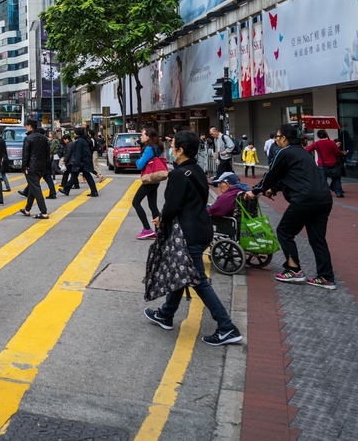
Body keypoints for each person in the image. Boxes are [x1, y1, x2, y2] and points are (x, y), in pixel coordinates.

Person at [144, 130, 243, 346]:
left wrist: (162, 219)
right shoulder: (196, 169)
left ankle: (226, 327)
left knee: (198, 280)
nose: (171, 150)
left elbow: (172, 206)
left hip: (189, 233)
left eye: (173, 147)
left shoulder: (179, 174)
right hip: (201, 228)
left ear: (180, 150)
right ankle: (166, 314)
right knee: (184, 272)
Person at [249, 125, 336, 289]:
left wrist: (256, 191)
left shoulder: (285, 152)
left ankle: (293, 270)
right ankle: (326, 277)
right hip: (324, 199)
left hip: (304, 200)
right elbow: (294, 177)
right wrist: (274, 189)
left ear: (284, 138)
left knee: (284, 231)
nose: (276, 139)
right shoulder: (304, 153)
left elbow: (272, 174)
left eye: (278, 136)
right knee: (318, 239)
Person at [133, 128, 165, 240]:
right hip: (155, 179)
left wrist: (138, 160)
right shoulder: (156, 147)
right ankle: (158, 230)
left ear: (148, 137)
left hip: (150, 180)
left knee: (136, 202)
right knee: (152, 206)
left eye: (142, 135)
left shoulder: (149, 149)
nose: (141, 137)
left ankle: (147, 229)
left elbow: (139, 165)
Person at [20, 120, 52, 218]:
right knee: (32, 187)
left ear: (30, 126)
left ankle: (44, 212)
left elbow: (26, 155)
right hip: (41, 167)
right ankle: (27, 209)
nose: (26, 127)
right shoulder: (44, 138)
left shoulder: (28, 138)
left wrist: (24, 167)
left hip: (31, 167)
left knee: (36, 189)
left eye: (26, 126)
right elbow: (47, 154)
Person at [305, 129, 345, 198]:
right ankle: (338, 192)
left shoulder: (316, 144)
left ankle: (325, 193)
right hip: (333, 163)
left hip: (321, 164)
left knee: (323, 180)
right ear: (325, 135)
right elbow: (338, 152)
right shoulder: (332, 143)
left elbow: (307, 149)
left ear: (318, 136)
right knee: (336, 178)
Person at [61, 127, 99, 197]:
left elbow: (78, 154)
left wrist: (76, 163)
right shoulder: (84, 140)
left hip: (81, 162)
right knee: (85, 176)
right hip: (85, 161)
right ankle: (94, 191)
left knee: (75, 175)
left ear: (77, 133)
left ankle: (66, 189)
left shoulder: (79, 141)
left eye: (75, 133)